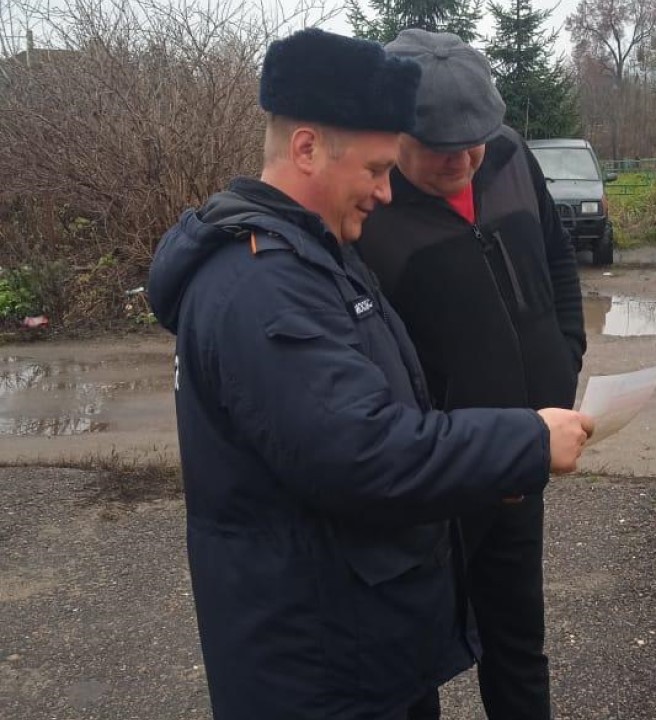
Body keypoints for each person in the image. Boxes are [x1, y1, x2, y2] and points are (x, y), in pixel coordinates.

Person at [146, 29, 592, 720]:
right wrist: (525, 443)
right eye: (378, 169)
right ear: (305, 149)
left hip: (354, 632)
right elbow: (362, 452)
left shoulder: (314, 254)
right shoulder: (265, 288)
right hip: (316, 665)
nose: (388, 193)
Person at [357, 29, 586, 720]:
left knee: (519, 646)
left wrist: (565, 357)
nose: (462, 159)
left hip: (521, 462)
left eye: (474, 140)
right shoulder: (368, 206)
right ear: (395, 132)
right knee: (409, 660)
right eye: (439, 146)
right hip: (434, 483)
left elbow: (558, 265)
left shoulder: (512, 157)